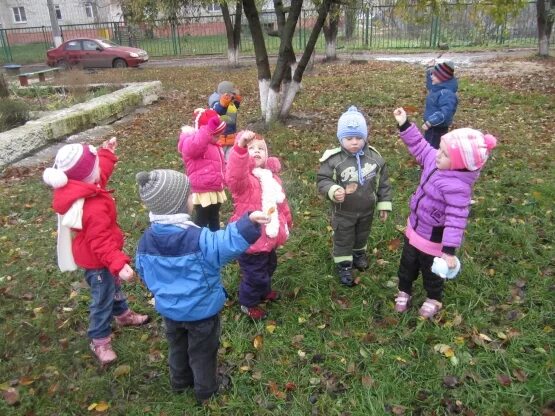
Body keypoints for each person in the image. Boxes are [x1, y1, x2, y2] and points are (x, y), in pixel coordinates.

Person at [135, 169, 268, 403]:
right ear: (179, 205)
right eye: (189, 196)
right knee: (203, 352)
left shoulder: (146, 240)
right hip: (201, 312)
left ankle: (179, 381)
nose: (192, 200)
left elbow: (143, 269)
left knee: (177, 345)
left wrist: (161, 292)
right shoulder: (197, 238)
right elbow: (224, 244)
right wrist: (248, 224)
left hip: (170, 310)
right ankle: (206, 391)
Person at [42, 139, 148, 366]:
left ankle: (123, 315)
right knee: (102, 299)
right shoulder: (92, 207)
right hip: (97, 261)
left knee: (113, 287)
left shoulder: (84, 186)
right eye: (97, 165)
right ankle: (99, 340)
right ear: (88, 176)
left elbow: (101, 172)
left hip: (102, 257)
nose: (101, 169)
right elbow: (100, 242)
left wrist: (107, 153)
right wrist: (118, 264)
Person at [392, 107, 497, 319]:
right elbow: (420, 146)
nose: (437, 153)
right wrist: (404, 124)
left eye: (445, 153)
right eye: (440, 148)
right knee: (407, 264)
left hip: (433, 239)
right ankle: (404, 289)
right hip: (414, 227)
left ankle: (434, 298)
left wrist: (448, 251)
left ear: (459, 163)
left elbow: (456, 219)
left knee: (432, 273)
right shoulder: (434, 159)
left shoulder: (458, 187)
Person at [317, 106, 393, 287]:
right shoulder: (334, 160)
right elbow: (322, 180)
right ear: (340, 138)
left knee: (362, 234)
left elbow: (383, 182)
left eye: (359, 138)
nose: (354, 142)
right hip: (344, 211)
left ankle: (359, 254)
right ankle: (344, 264)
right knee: (344, 237)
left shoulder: (374, 157)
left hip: (367, 209)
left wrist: (383, 204)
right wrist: (333, 190)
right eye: (349, 138)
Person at [225, 130, 293, 320]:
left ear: (267, 155)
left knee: (270, 266)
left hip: (268, 238)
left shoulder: (272, 178)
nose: (256, 151)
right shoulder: (244, 181)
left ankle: (263, 290)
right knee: (255, 275)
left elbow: (281, 204)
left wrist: (286, 221)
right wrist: (239, 148)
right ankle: (248, 302)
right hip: (251, 240)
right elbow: (235, 174)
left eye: (261, 149)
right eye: (251, 148)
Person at [178, 108, 227, 231]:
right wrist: (207, 130)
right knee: (202, 218)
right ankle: (196, 239)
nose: (218, 138)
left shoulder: (214, 144)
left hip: (215, 188)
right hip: (203, 189)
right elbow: (196, 146)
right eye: (216, 135)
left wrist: (224, 178)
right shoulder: (191, 142)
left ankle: (215, 238)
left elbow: (221, 164)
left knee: (214, 216)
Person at [422, 59, 458, 149]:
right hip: (431, 126)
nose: (431, 76)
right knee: (428, 145)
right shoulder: (437, 87)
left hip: (437, 129)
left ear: (441, 78)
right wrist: (430, 67)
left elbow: (445, 113)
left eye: (434, 75)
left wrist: (430, 122)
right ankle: (428, 160)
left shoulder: (447, 94)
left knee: (432, 148)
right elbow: (430, 84)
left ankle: (432, 162)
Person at [209, 80, 242, 160]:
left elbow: (233, 110)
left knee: (230, 159)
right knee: (220, 158)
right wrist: (222, 104)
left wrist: (237, 101)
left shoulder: (231, 103)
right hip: (220, 138)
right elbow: (217, 111)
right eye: (232, 94)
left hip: (231, 136)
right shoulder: (216, 103)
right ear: (225, 94)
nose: (233, 95)